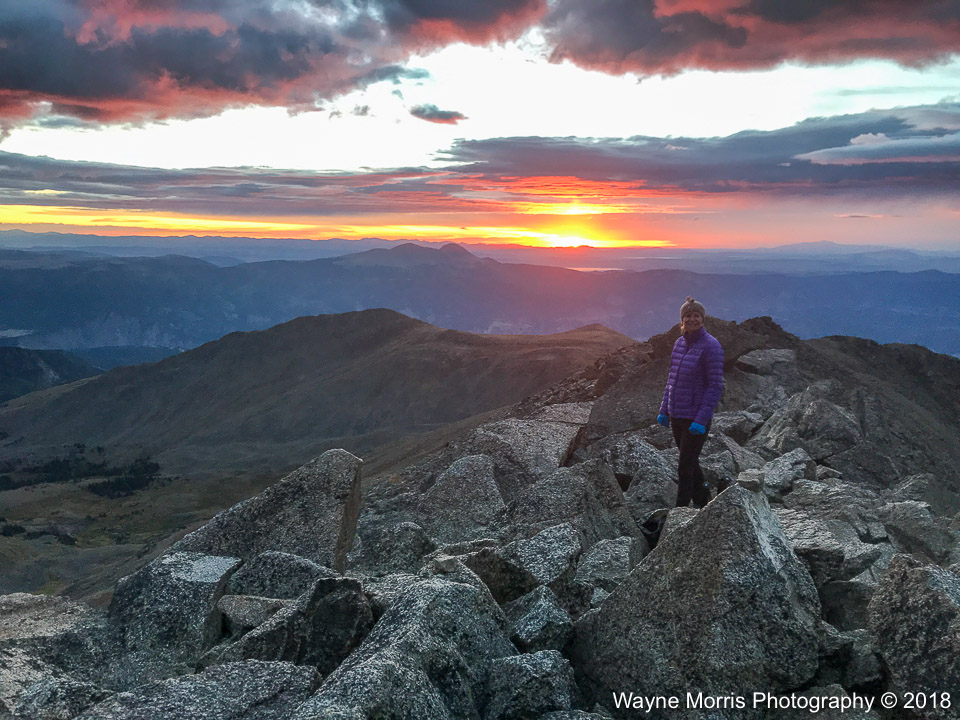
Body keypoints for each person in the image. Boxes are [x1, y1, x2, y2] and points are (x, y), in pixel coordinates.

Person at [657, 296, 724, 507]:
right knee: (691, 464)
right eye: (688, 315)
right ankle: (704, 504)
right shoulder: (679, 343)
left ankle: (680, 512)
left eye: (696, 315)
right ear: (682, 320)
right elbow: (672, 380)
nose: (692, 319)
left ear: (703, 319)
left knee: (684, 468)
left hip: (695, 418)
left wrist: (701, 419)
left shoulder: (711, 346)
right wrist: (664, 409)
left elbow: (715, 386)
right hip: (677, 415)